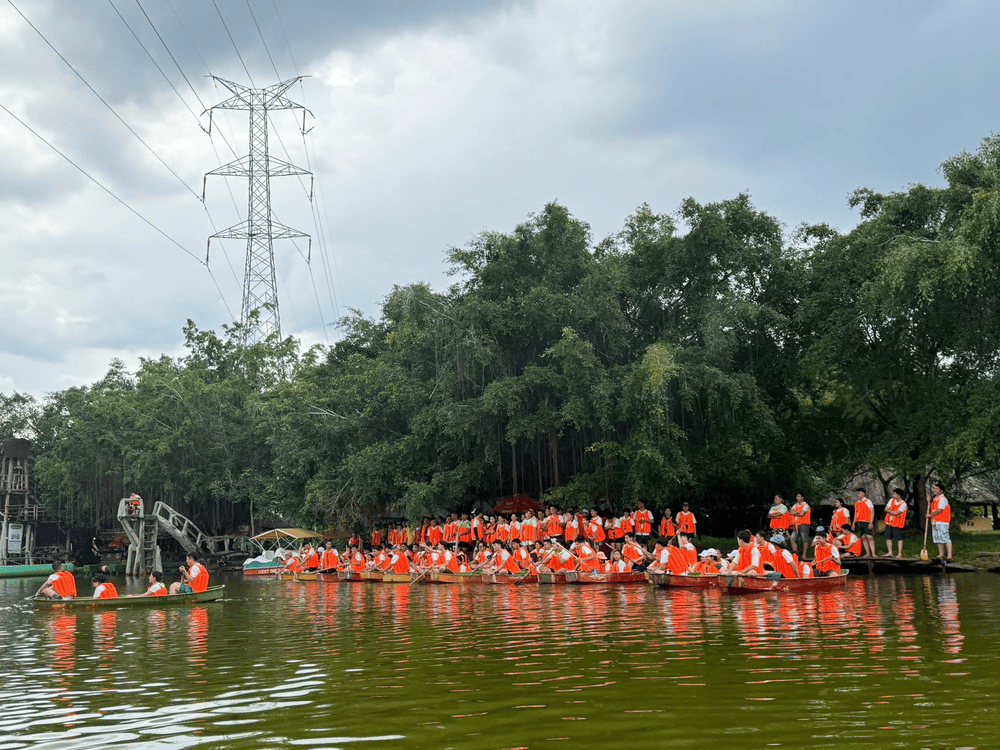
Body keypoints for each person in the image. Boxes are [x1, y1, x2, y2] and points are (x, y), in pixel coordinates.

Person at [928, 481, 953, 560]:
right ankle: (941, 553)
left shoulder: (943, 499)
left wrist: (930, 515)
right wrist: (929, 501)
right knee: (938, 538)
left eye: (936, 489)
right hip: (935, 521)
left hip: (942, 521)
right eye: (934, 488)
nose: (934, 490)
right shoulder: (935, 499)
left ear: (941, 491)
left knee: (945, 538)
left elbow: (939, 510)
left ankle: (949, 555)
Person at [883, 488, 908, 557]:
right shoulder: (891, 500)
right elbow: (886, 509)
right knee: (888, 537)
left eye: (894, 494)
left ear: (899, 495)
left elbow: (897, 512)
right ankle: (890, 552)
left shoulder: (903, 504)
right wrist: (893, 513)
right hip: (889, 522)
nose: (893, 495)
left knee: (898, 538)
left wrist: (892, 512)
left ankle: (899, 553)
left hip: (897, 523)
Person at [853, 487, 876, 558]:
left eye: (859, 493)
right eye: (857, 493)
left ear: (863, 494)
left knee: (869, 537)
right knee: (863, 537)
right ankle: (868, 553)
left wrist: (871, 522)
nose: (858, 495)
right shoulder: (856, 503)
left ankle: (873, 553)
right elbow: (855, 513)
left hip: (866, 521)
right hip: (859, 522)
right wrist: (853, 523)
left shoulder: (867, 501)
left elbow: (872, 512)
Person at [789, 493, 811, 559]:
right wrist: (798, 512)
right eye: (796, 496)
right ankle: (796, 553)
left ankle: (804, 554)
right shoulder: (795, 505)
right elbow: (791, 511)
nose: (797, 497)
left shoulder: (806, 505)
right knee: (792, 538)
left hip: (804, 524)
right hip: (796, 525)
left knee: (804, 539)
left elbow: (802, 513)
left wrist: (795, 512)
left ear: (802, 497)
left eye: (798, 496)